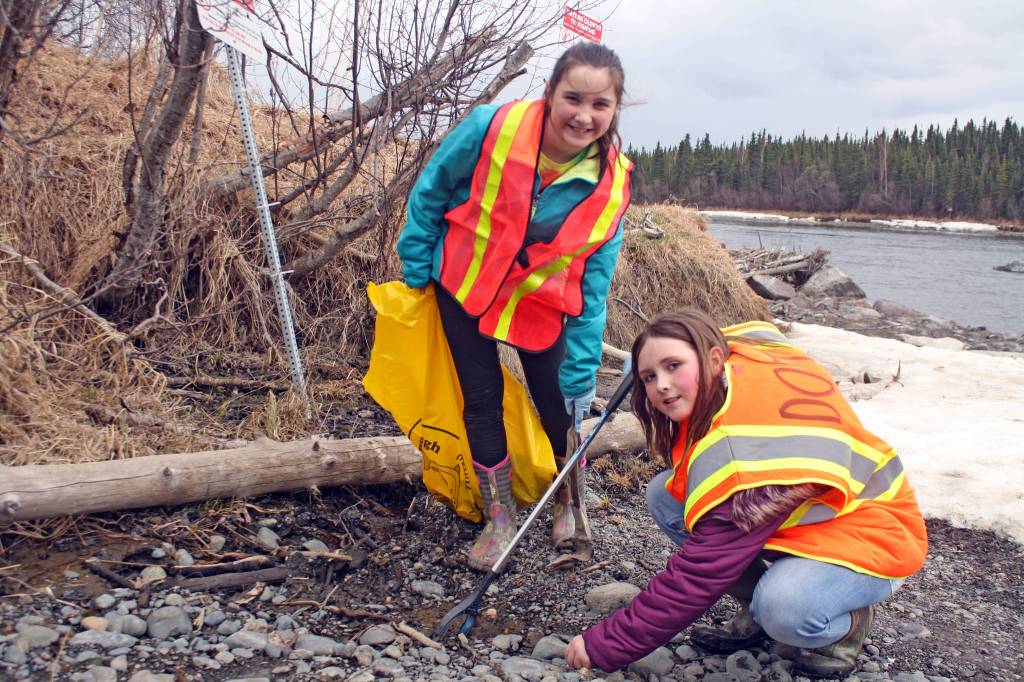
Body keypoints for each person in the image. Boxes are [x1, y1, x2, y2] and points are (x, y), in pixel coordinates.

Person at [564, 309, 928, 678]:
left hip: (874, 536)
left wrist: (605, 644)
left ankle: (847, 622)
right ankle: (754, 606)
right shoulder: (746, 358)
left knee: (783, 612)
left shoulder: (744, 455)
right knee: (666, 494)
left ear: (714, 358)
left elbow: (697, 576)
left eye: (674, 366)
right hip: (815, 519)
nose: (660, 385)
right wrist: (648, 366)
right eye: (649, 377)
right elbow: (753, 332)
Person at [396, 43, 633, 572]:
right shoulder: (491, 126)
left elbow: (596, 280)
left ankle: (569, 501)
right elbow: (433, 187)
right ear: (550, 93)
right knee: (480, 400)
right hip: (465, 281)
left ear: (615, 109)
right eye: (573, 97)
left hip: (539, 301)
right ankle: (498, 515)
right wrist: (416, 261)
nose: (584, 115)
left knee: (560, 405)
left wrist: (584, 362)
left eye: (600, 105)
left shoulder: (612, 181)